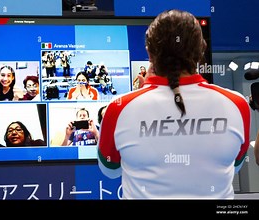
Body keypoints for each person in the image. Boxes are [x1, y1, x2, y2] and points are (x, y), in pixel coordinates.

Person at [97, 9, 251, 199]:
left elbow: (110, 169)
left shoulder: (120, 107)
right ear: (201, 49)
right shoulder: (237, 104)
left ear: (149, 52)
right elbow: (234, 167)